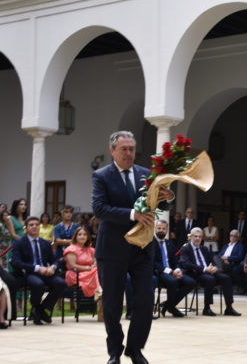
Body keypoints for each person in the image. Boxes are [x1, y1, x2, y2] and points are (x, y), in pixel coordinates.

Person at [92, 130, 174, 364]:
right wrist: (133, 214)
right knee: (112, 304)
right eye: (124, 149)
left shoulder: (146, 174)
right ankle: (115, 351)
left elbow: (160, 203)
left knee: (145, 301)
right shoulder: (101, 176)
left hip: (142, 248)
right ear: (112, 151)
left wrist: (167, 197)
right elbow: (99, 209)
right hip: (112, 249)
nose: (129, 153)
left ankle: (135, 349)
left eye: (131, 149)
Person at [10, 217, 67, 325]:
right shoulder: (19, 242)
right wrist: (37, 268)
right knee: (38, 284)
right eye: (31, 225)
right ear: (26, 228)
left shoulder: (45, 243)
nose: (35, 226)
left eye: (37, 224)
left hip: (46, 272)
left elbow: (54, 260)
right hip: (28, 273)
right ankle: (37, 309)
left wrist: (52, 267)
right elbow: (16, 262)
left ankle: (40, 309)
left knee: (61, 283)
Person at [179, 228, 240, 316]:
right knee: (210, 279)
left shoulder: (204, 248)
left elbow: (212, 261)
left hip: (208, 271)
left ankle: (229, 307)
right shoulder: (185, 248)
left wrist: (214, 267)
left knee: (226, 278)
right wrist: (204, 269)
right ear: (191, 237)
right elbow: (186, 264)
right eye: (195, 236)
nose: (197, 238)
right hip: (195, 273)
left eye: (200, 237)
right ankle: (207, 307)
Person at [152, 220, 195, 318]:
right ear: (155, 229)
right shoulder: (151, 243)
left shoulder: (169, 243)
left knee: (191, 282)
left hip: (172, 271)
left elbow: (175, 260)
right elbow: (153, 262)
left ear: (167, 230)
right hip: (159, 272)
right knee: (173, 281)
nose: (161, 231)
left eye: (163, 229)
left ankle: (168, 305)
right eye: (159, 228)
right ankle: (171, 307)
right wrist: (170, 271)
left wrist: (177, 269)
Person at [64, 226, 102, 299]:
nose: (82, 236)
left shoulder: (91, 250)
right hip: (75, 274)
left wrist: (95, 265)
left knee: (100, 272)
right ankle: (99, 291)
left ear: (88, 237)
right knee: (97, 274)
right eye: (80, 234)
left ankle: (101, 304)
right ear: (75, 237)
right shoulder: (71, 249)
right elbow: (73, 266)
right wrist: (89, 268)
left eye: (85, 234)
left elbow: (95, 263)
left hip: (90, 273)